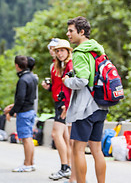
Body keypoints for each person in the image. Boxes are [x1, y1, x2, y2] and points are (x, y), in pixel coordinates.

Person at [63, 16, 108, 183]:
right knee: (96, 149)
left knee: (78, 149)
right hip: (101, 104)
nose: (68, 34)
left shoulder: (80, 52)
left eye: (71, 31)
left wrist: (67, 81)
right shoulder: (97, 49)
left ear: (81, 32)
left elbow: (82, 80)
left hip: (85, 107)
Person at [42, 39, 73, 180]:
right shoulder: (56, 65)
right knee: (66, 138)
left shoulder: (68, 64)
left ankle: (65, 167)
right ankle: (69, 167)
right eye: (55, 50)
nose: (56, 52)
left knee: (56, 134)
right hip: (59, 101)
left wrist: (66, 104)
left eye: (59, 49)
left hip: (63, 103)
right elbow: (58, 85)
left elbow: (69, 85)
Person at [4, 55, 37, 172]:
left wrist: (11, 112)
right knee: (28, 138)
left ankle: (27, 164)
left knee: (26, 138)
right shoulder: (32, 77)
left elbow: (20, 98)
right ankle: (30, 163)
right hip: (31, 111)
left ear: (17, 66)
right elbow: (31, 97)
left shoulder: (23, 80)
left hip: (24, 113)